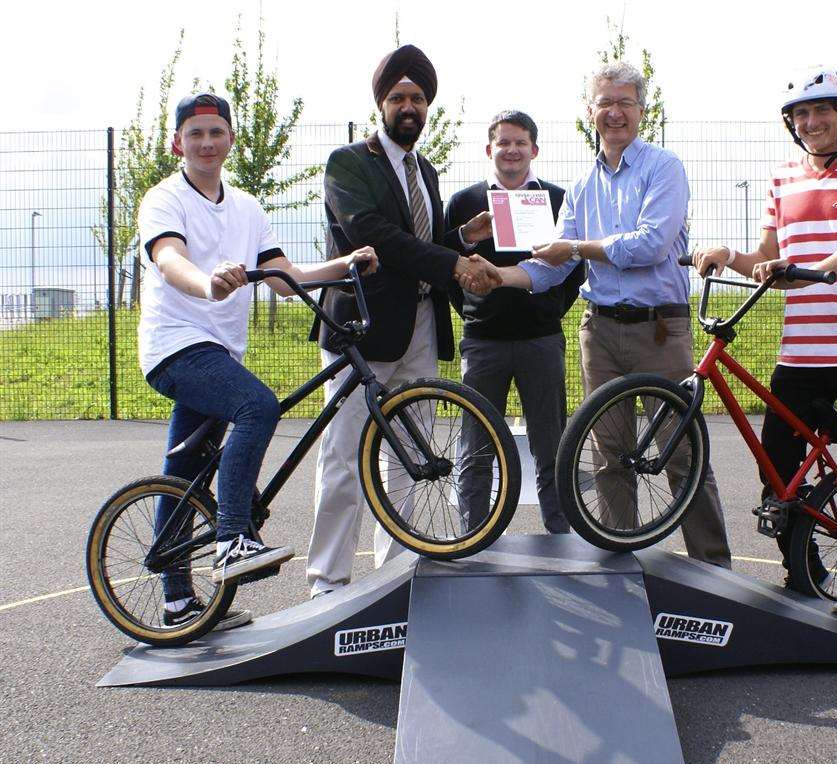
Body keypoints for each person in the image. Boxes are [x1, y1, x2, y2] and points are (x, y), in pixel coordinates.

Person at [473, 62, 732, 569]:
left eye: (626, 102)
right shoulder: (581, 186)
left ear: (641, 110)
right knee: (610, 455)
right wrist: (498, 276)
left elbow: (649, 244)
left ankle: (715, 570)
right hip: (601, 330)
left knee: (681, 452)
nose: (615, 112)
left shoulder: (664, 168)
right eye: (604, 103)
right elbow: (551, 266)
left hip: (661, 329)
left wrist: (575, 246)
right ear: (589, 111)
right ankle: (622, 565)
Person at [139, 92, 377, 629]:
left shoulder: (246, 207)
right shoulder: (164, 199)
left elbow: (281, 277)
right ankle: (232, 539)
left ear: (230, 140)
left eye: (215, 132)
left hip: (217, 349)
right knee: (257, 406)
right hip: (175, 345)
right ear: (177, 143)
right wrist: (208, 283)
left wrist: (346, 262)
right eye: (194, 133)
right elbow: (169, 258)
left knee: (185, 471)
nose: (205, 142)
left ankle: (177, 600)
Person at [692, 67, 837, 622]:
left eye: (822, 111)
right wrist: (724, 254)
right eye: (800, 115)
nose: (811, 123)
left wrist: (818, 271)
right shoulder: (782, 180)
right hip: (803, 354)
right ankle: (802, 567)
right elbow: (767, 257)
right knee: (777, 469)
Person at [306, 45, 492, 598]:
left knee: (408, 453)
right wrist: (453, 262)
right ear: (380, 105)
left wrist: (462, 241)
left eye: (417, 98)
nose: (407, 106)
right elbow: (376, 238)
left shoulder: (424, 169)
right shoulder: (347, 163)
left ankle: (396, 570)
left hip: (418, 327)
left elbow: (421, 246)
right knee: (343, 455)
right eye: (397, 98)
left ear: (427, 105)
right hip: (360, 333)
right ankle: (328, 581)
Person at [445, 110, 584, 534]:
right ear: (489, 150)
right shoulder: (464, 202)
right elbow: (446, 264)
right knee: (476, 445)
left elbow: (574, 268)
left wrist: (549, 309)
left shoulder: (559, 200)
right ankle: (473, 534)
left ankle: (560, 534)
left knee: (551, 446)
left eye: (520, 142)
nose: (511, 150)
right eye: (503, 143)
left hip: (541, 339)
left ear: (534, 150)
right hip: (482, 342)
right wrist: (472, 306)